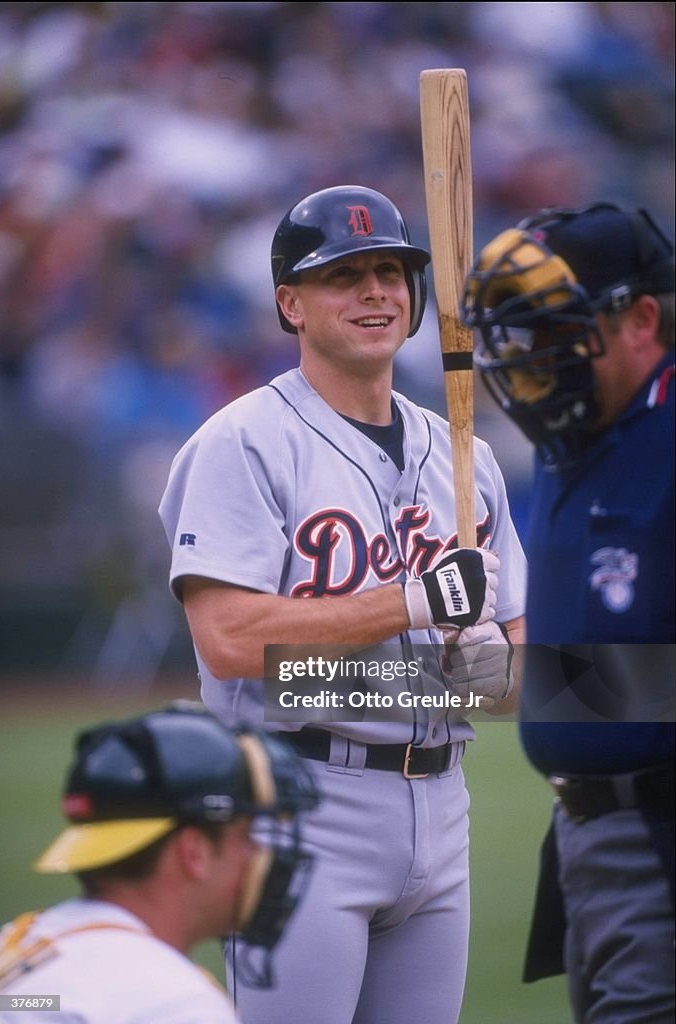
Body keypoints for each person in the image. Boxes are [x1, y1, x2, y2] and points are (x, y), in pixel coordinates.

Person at [158, 184, 527, 1024]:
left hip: (443, 807)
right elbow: (228, 637)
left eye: (392, 272)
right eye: (344, 275)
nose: (375, 292)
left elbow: (510, 657)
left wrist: (487, 661)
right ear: (290, 303)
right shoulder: (242, 443)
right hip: (300, 801)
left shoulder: (462, 455)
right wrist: (414, 600)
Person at [461, 202, 675, 1023]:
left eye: (552, 331)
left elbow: (578, 684)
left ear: (641, 319)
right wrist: (318, 686)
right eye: (515, 338)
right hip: (583, 837)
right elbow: (543, 679)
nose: (527, 363)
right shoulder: (567, 442)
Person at [0, 702, 318, 1023]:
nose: (257, 852)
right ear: (195, 852)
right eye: (247, 835)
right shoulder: (172, 1004)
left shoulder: (24, 941)